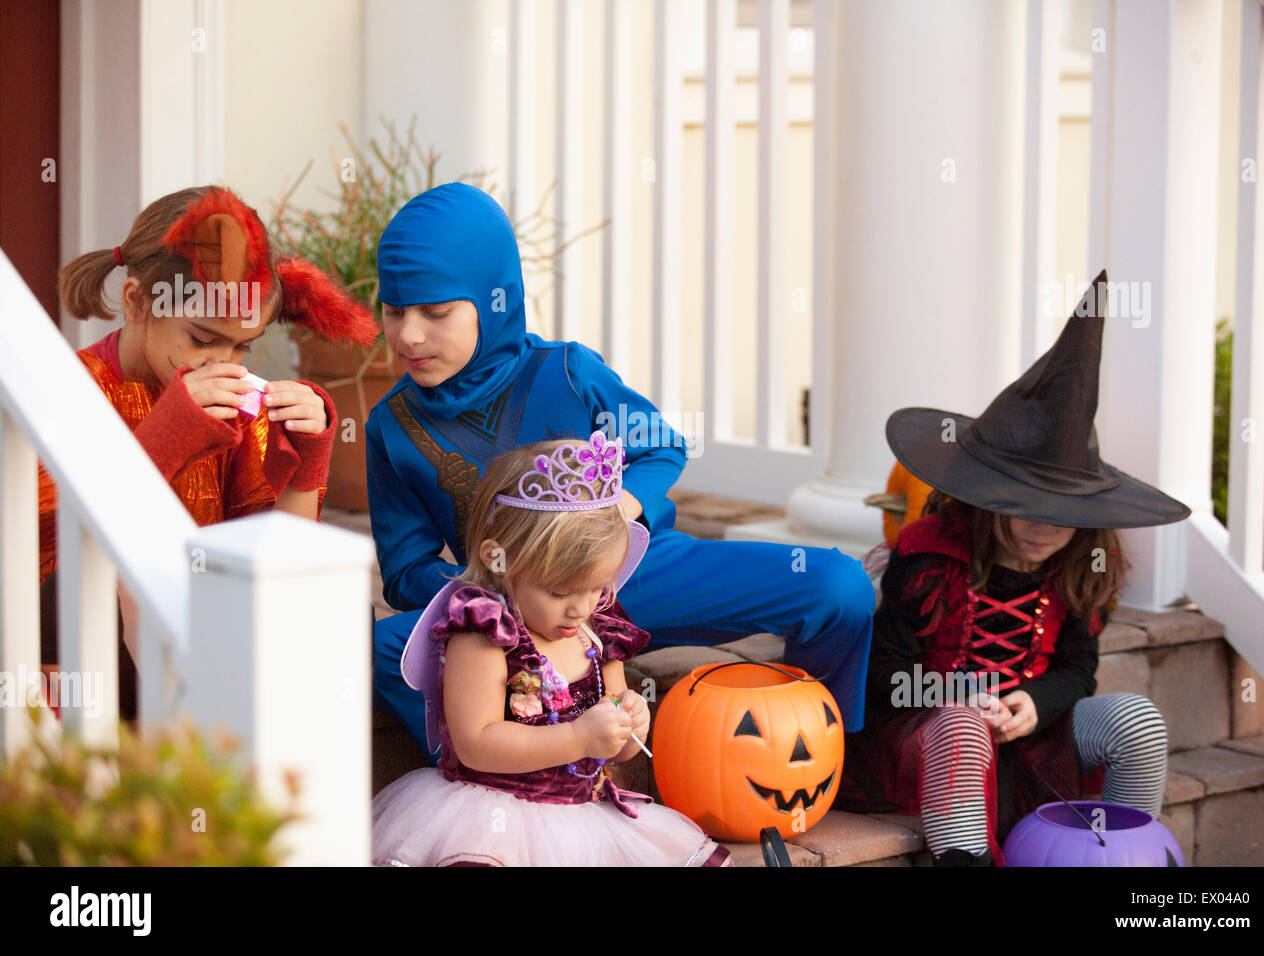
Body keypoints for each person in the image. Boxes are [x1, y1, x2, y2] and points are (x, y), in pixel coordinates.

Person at [368, 182, 873, 763]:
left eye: (436, 312)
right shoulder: (392, 426)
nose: (408, 333)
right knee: (383, 648)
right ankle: (515, 766)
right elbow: (406, 570)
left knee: (837, 586)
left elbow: (658, 446)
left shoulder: (567, 372)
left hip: (640, 578)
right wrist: (491, 598)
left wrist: (617, 516)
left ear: (495, 299)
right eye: (393, 309)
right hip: (513, 614)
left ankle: (839, 759)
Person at [857, 271, 1185, 866]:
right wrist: (961, 695)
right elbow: (884, 673)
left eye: (1063, 516)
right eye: (1028, 511)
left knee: (1137, 720)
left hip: (1033, 737)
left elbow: (1078, 670)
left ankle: (1120, 854)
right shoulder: (928, 554)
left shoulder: (1082, 567)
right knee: (961, 725)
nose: (1044, 530)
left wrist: (1036, 701)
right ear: (988, 499)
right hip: (929, 731)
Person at [42, 185, 377, 718]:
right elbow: (50, 568)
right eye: (201, 338)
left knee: (334, 605)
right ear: (136, 303)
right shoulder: (69, 394)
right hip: (101, 642)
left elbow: (277, 554)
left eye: (242, 345)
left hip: (203, 627)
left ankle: (296, 785)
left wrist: (305, 464)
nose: (224, 362)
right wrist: (165, 438)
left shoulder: (237, 407)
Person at [371, 433, 731, 865]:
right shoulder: (486, 631)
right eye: (560, 591)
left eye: (597, 587)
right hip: (491, 817)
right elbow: (476, 742)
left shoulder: (597, 629)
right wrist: (577, 737)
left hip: (583, 818)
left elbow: (616, 743)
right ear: (498, 560)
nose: (580, 607)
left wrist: (631, 724)